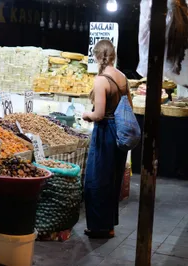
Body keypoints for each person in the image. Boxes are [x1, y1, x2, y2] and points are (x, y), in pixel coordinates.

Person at [82, 40, 132, 238]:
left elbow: (99, 114)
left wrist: (87, 114)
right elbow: (128, 104)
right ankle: (109, 225)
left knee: (96, 180)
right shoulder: (122, 77)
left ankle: (98, 227)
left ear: (96, 56)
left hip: (105, 132)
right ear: (114, 55)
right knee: (113, 180)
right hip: (120, 132)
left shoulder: (101, 80)